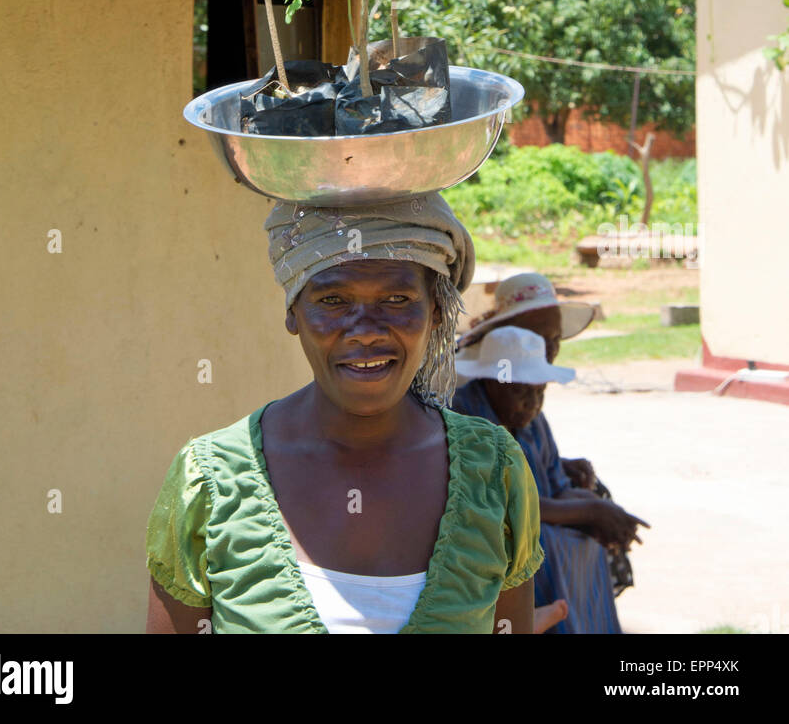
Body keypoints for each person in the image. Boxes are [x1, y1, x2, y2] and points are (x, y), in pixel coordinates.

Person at [144, 193, 545, 634]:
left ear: (435, 310)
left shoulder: (493, 472)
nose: (367, 331)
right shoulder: (212, 480)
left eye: (396, 298)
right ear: (293, 310)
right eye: (334, 300)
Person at [453, 270, 650, 634]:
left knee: (592, 521)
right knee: (542, 543)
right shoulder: (468, 410)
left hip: (535, 509)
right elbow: (499, 498)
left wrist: (588, 498)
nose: (548, 348)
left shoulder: (530, 413)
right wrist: (588, 510)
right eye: (538, 337)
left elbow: (547, 475)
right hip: (496, 525)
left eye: (553, 339)